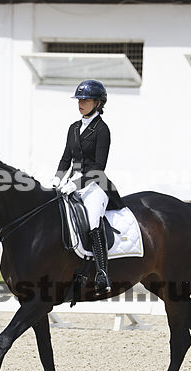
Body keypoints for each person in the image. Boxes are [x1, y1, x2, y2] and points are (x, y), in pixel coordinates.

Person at [51, 79, 125, 294]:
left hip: (95, 184)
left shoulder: (102, 130)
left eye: (85, 100)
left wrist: (76, 184)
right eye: (79, 100)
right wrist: (56, 180)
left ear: (98, 103)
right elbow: (66, 158)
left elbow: (99, 167)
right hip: (71, 182)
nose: (80, 104)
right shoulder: (74, 128)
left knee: (92, 221)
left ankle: (102, 272)